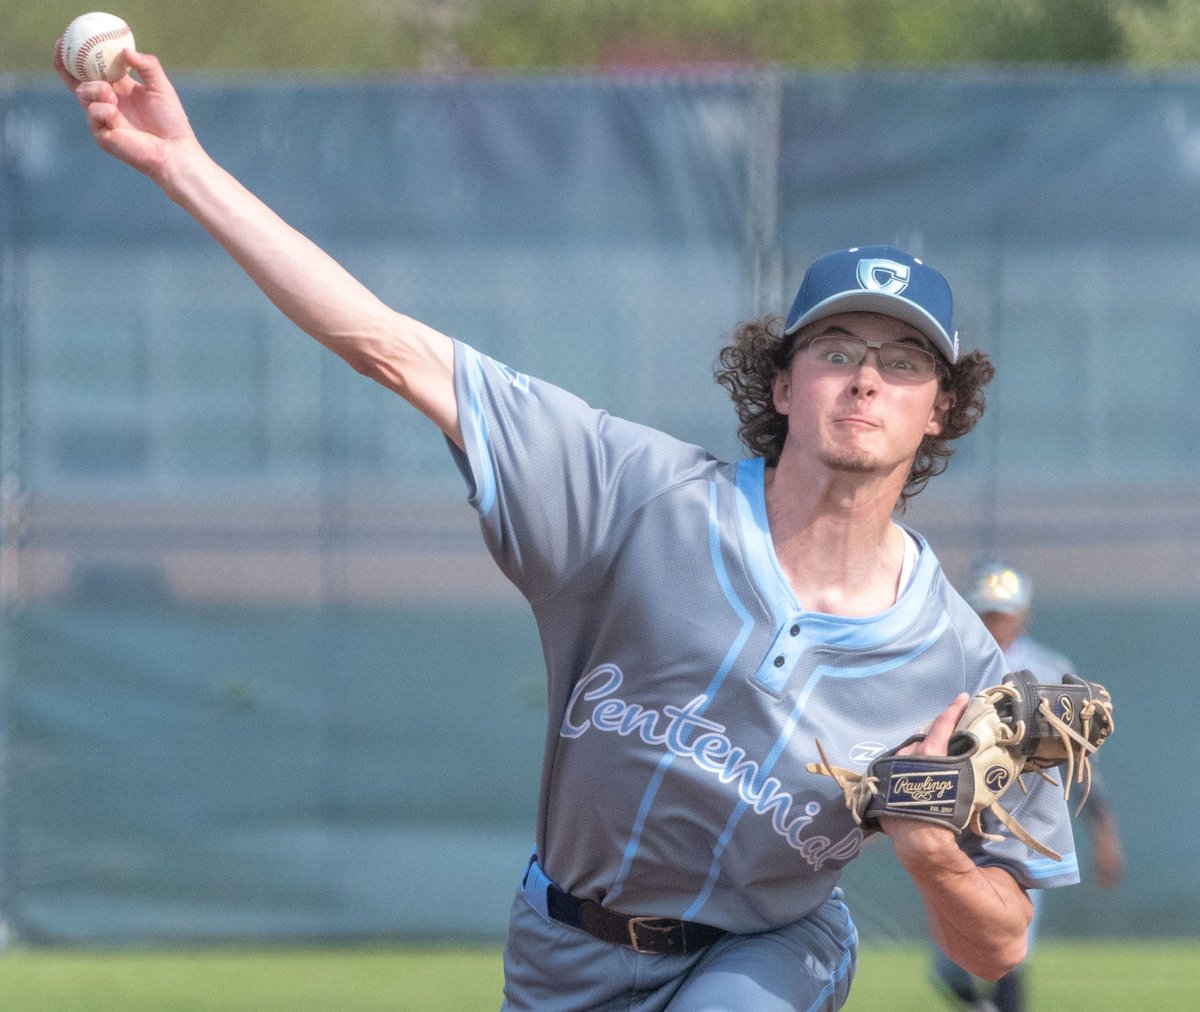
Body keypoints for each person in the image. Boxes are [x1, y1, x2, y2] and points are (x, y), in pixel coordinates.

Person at [55, 42, 1084, 1011]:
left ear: (941, 408)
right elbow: (389, 347)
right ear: (781, 379)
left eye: (905, 362)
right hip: (563, 943)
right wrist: (181, 165)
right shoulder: (633, 496)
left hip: (771, 950)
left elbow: (1001, 945)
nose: (868, 375)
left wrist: (933, 853)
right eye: (839, 348)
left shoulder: (961, 664)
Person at [931, 562, 1124, 1012]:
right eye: (987, 614)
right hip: (961, 819)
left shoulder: (1049, 670)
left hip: (1029, 820)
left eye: (1004, 614)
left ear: (1023, 615)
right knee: (948, 965)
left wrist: (1104, 828)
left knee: (1010, 943)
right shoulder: (949, 660)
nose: (996, 624)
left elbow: (1081, 758)